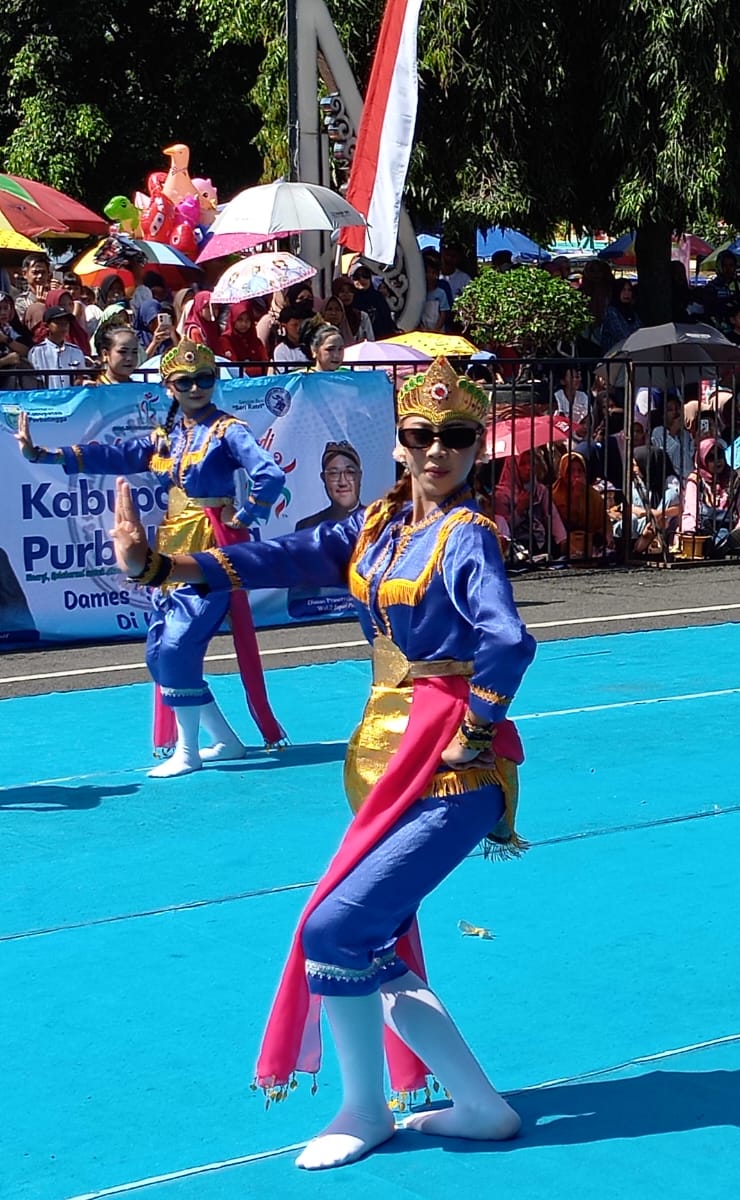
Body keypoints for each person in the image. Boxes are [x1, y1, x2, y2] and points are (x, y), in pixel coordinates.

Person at [104, 356, 533, 1170]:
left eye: (456, 436)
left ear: (477, 447)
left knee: (335, 929)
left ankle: (410, 1107)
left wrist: (476, 730)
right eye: (422, 435)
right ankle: (434, 1105)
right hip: (387, 760)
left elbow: (509, 641)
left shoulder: (466, 535)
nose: (438, 450)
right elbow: (279, 558)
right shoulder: (377, 526)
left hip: (452, 772)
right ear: (400, 443)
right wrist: (155, 567)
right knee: (365, 932)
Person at [14, 339, 287, 773]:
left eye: (205, 379)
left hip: (212, 547)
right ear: (168, 387)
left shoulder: (227, 430)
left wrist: (245, 515)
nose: (196, 387)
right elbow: (114, 455)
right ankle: (225, 741)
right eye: (185, 381)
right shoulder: (168, 437)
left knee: (178, 644)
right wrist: (41, 454)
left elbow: (268, 474)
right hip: (172, 546)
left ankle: (188, 751)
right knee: (161, 647)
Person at [297, 442, 365, 530]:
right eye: (333, 474)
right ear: (323, 478)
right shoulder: (307, 527)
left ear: (359, 476)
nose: (343, 482)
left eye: (350, 472)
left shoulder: (377, 522)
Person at [28, 305, 89, 388]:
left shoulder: (76, 351)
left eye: (66, 323)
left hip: (72, 395)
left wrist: (80, 382)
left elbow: (81, 377)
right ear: (46, 326)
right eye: (58, 322)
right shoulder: (36, 352)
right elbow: (34, 382)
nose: (64, 326)